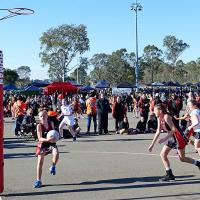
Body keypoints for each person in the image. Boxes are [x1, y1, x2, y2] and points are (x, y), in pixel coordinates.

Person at [148, 104, 200, 182]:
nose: (153, 111)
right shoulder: (159, 117)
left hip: (178, 137)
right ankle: (169, 174)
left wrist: (164, 138)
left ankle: (198, 163)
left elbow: (173, 130)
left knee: (182, 158)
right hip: (171, 137)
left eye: (155, 110)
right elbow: (158, 131)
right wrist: (152, 144)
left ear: (160, 111)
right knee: (163, 154)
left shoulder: (166, 117)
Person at [34, 110, 59, 188]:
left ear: (47, 116)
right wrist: (47, 140)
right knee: (40, 162)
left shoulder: (51, 123)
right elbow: (39, 138)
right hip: (43, 144)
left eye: (44, 116)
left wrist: (56, 137)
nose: (42, 117)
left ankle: (53, 166)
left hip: (51, 143)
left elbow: (54, 133)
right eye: (41, 116)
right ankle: (38, 180)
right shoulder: (39, 126)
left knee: (56, 153)